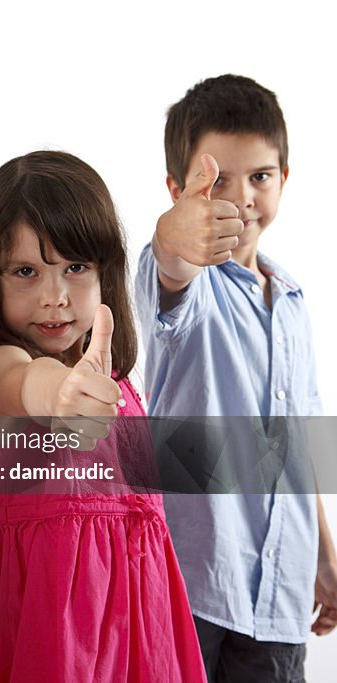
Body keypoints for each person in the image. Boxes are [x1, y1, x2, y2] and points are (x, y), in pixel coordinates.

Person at [0, 151, 206, 682]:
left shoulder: (115, 386)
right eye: (26, 271)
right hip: (48, 639)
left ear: (104, 273)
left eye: (75, 268)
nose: (55, 297)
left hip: (141, 633)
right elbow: (29, 384)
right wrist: (59, 393)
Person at [135, 73, 337, 682]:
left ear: (284, 178)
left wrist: (324, 555)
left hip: (280, 590)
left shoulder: (294, 301)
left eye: (260, 177)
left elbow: (297, 442)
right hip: (192, 582)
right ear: (177, 189)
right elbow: (167, 265)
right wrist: (174, 235)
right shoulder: (191, 280)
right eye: (217, 179)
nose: (242, 197)